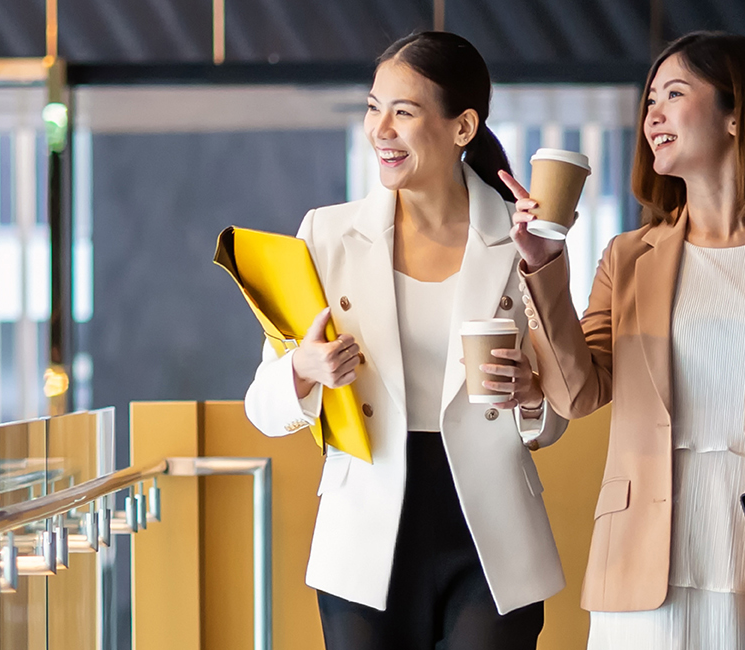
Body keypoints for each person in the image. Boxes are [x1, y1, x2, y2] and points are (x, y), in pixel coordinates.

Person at [502, 31, 745, 650]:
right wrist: (545, 266)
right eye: (648, 100)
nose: (652, 114)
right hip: (642, 565)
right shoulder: (628, 257)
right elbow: (576, 395)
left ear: (737, 115)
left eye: (674, 94)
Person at [243, 31, 567, 650]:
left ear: (462, 126)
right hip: (364, 538)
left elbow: (553, 420)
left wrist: (531, 392)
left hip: (493, 535)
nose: (380, 129)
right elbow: (263, 407)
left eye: (404, 112)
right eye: (373, 107)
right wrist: (303, 371)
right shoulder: (326, 236)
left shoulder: (519, 237)